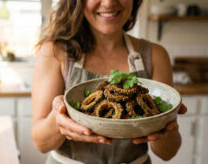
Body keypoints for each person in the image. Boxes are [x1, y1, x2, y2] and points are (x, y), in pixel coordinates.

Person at [31, 0, 187, 163]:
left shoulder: (155, 55)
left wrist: (165, 125)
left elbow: (168, 153)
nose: (108, 2)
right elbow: (41, 143)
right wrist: (58, 118)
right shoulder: (54, 52)